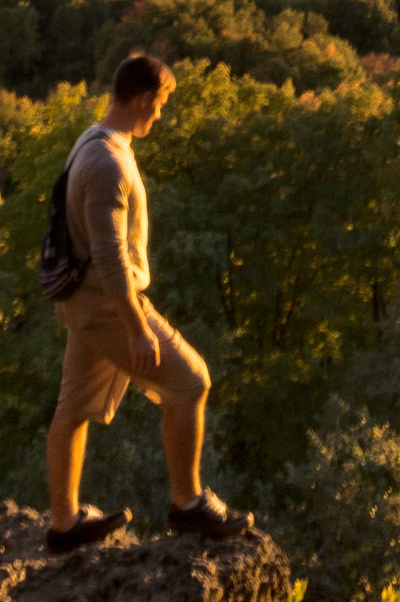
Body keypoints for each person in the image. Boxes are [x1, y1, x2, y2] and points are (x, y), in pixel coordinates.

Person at [45, 52, 253, 554]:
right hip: (106, 303)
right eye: (160, 105)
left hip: (86, 301)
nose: (160, 115)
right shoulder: (107, 161)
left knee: (72, 407)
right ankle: (188, 505)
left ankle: (65, 525)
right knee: (191, 381)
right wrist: (136, 327)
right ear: (142, 99)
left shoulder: (97, 140)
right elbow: (110, 255)